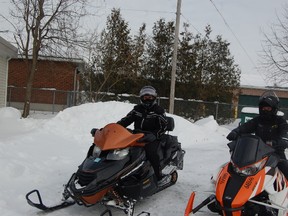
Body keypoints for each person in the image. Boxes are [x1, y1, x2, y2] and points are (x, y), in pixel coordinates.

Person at [226, 90, 288, 179]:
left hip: (276, 154)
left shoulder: (281, 122)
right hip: (257, 153)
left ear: (274, 109)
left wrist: (279, 142)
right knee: (233, 167)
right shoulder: (257, 121)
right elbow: (245, 127)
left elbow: (285, 137)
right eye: (263, 108)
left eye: (268, 108)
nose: (265, 110)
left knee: (285, 168)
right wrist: (235, 132)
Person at [117, 86, 168, 181]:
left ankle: (158, 175)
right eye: (145, 97)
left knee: (151, 152)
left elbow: (163, 126)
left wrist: (154, 135)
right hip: (136, 136)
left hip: (152, 137)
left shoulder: (158, 111)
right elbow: (125, 120)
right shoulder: (137, 109)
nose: (147, 99)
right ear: (141, 98)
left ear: (154, 98)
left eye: (150, 97)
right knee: (120, 150)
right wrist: (113, 128)